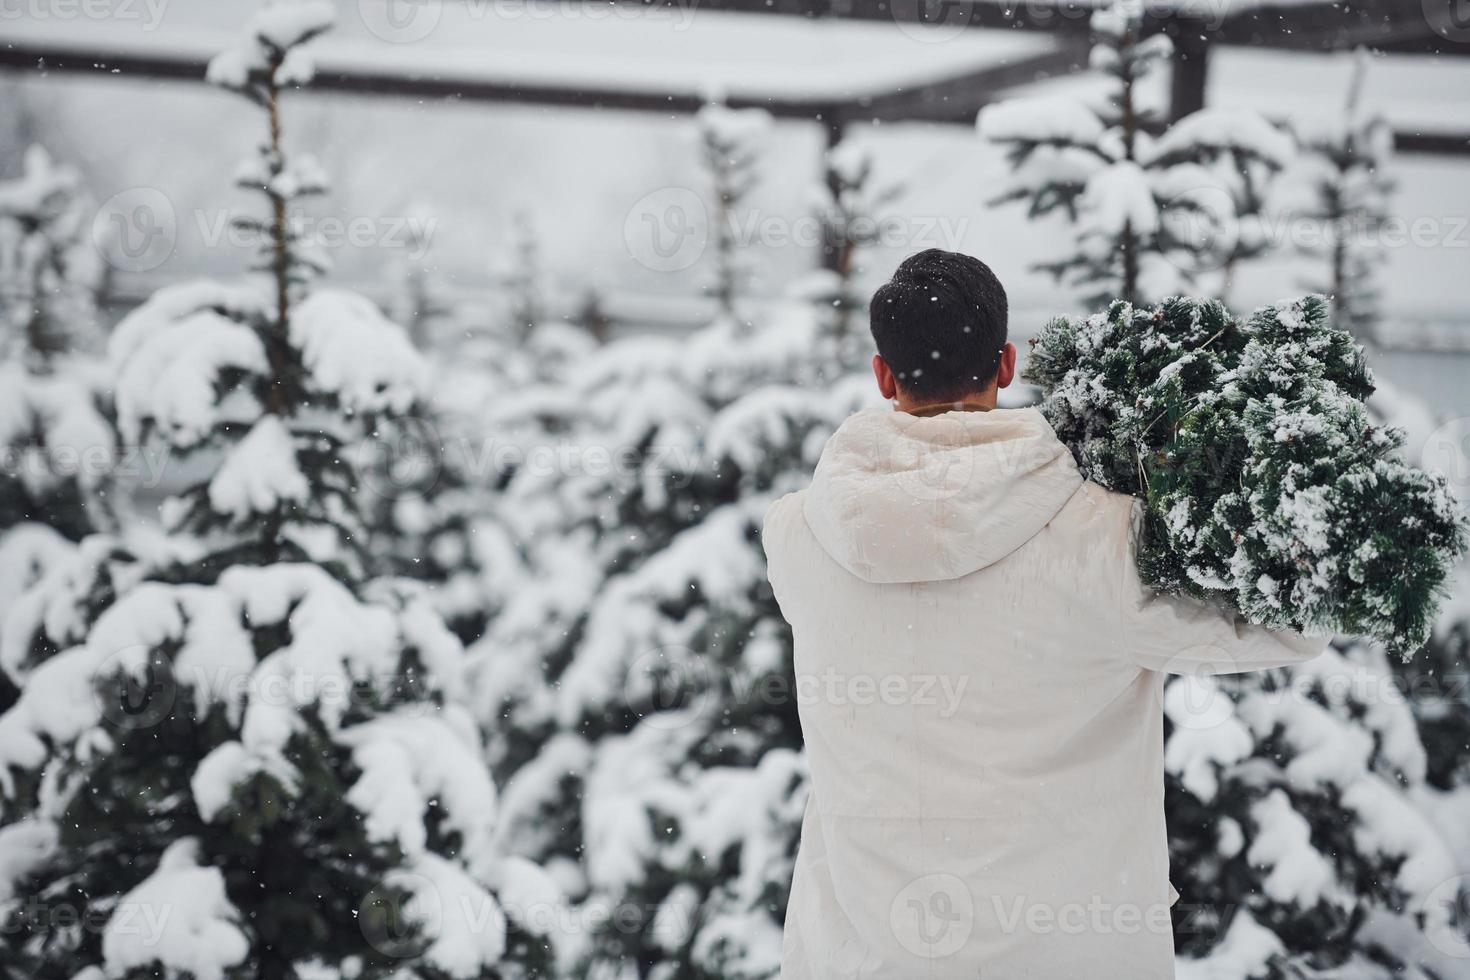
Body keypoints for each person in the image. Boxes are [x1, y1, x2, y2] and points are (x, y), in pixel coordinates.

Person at [762, 249, 1325, 979]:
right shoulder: (1103, 543)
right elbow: (1293, 620)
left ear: (882, 374)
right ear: (1006, 364)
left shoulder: (798, 538)